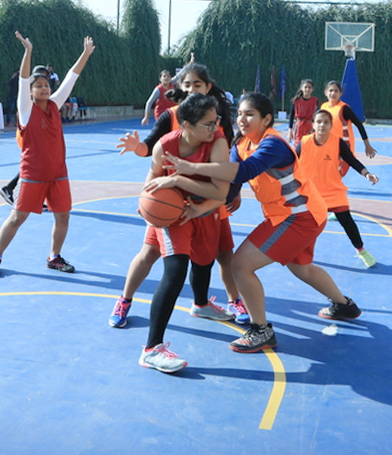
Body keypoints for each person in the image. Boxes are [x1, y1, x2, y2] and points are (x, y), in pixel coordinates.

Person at [162, 93, 362, 353]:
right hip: (301, 214)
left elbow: (243, 172)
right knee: (302, 269)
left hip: (298, 216)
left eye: (250, 114)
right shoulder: (241, 145)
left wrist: (190, 169)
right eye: (240, 113)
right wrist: (199, 204)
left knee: (241, 265)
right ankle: (345, 305)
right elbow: (231, 187)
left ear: (266, 118)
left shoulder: (273, 145)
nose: (242, 119)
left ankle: (261, 330)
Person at [111, 62, 247, 327]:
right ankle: (125, 299)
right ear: (179, 87)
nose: (192, 88)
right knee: (150, 253)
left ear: (208, 87)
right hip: (170, 200)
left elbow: (232, 158)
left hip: (208, 196)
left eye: (198, 84)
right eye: (187, 84)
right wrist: (139, 148)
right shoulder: (172, 117)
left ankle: (213, 302)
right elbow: (151, 148)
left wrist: (234, 190)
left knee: (219, 253)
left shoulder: (216, 121)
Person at [134, 93, 233, 372]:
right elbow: (153, 178)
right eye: (208, 124)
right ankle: (152, 348)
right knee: (176, 269)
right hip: (172, 215)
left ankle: (201, 304)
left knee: (204, 260)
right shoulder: (165, 146)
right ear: (187, 125)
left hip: (205, 209)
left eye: (216, 122)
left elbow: (221, 192)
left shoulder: (218, 144)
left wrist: (180, 181)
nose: (215, 128)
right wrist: (145, 200)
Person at [0, 32, 95, 277]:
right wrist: (28, 51)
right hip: (33, 174)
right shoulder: (26, 110)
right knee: (17, 218)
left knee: (63, 217)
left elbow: (71, 78)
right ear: (31, 91)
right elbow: (24, 79)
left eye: (46, 85)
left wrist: (85, 55)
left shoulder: (55, 105)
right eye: (38, 86)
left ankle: (54, 257)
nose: (43, 88)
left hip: (58, 174)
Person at [297, 109, 380, 268]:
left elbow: (352, 160)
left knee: (347, 222)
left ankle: (361, 250)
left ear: (331, 125)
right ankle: (301, 251)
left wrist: (367, 174)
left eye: (326, 122)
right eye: (319, 122)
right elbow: (291, 163)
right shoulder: (304, 142)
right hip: (311, 194)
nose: (322, 125)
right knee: (307, 226)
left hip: (333, 191)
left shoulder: (337, 142)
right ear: (313, 124)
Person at [320, 80, 377, 175]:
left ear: (340, 93)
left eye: (336, 91)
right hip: (327, 145)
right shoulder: (323, 107)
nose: (333, 93)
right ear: (326, 92)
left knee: (337, 174)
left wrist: (367, 145)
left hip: (343, 147)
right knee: (327, 174)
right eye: (330, 90)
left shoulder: (344, 109)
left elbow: (359, 125)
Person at [288, 79, 319, 143]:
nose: (307, 89)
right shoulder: (296, 101)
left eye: (309, 87)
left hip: (311, 126)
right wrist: (290, 130)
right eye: (305, 87)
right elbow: (291, 116)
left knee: (310, 144)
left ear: (312, 89)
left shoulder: (315, 101)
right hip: (299, 127)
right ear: (302, 88)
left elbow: (318, 115)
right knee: (298, 144)